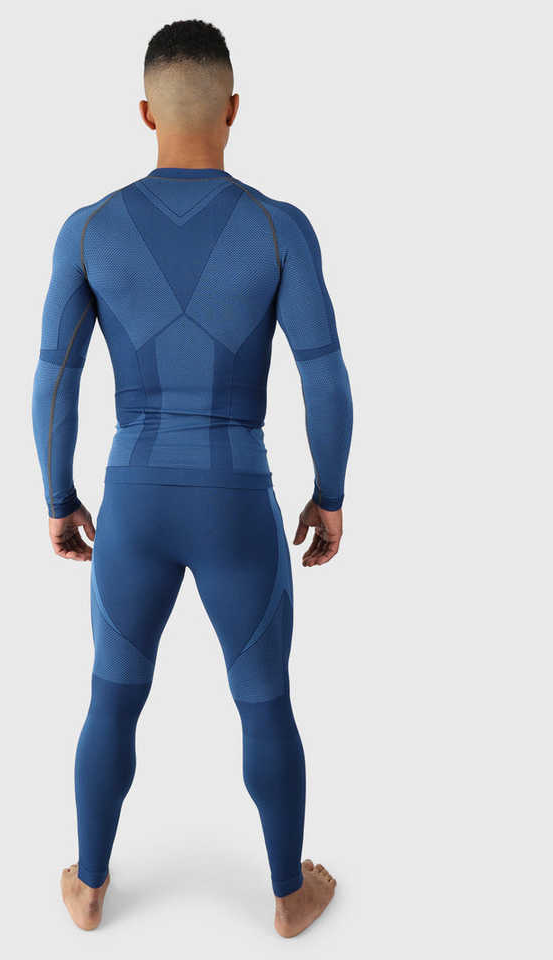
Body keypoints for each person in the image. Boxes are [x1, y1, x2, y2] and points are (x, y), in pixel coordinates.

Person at [32, 19, 353, 938]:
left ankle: (90, 887)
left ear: (145, 113)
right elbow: (324, 377)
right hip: (236, 500)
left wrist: (59, 499)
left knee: (112, 695)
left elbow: (54, 382)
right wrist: (329, 494)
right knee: (265, 700)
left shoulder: (90, 230)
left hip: (132, 500)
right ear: (234, 109)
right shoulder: (278, 227)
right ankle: (288, 896)